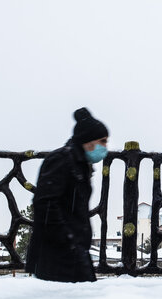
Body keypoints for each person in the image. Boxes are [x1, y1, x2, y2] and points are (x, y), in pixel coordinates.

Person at [25, 107, 109, 282]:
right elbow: (45, 204)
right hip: (58, 253)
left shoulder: (80, 163)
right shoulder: (61, 160)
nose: (105, 147)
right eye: (102, 141)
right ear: (88, 141)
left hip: (72, 250)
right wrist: (66, 238)